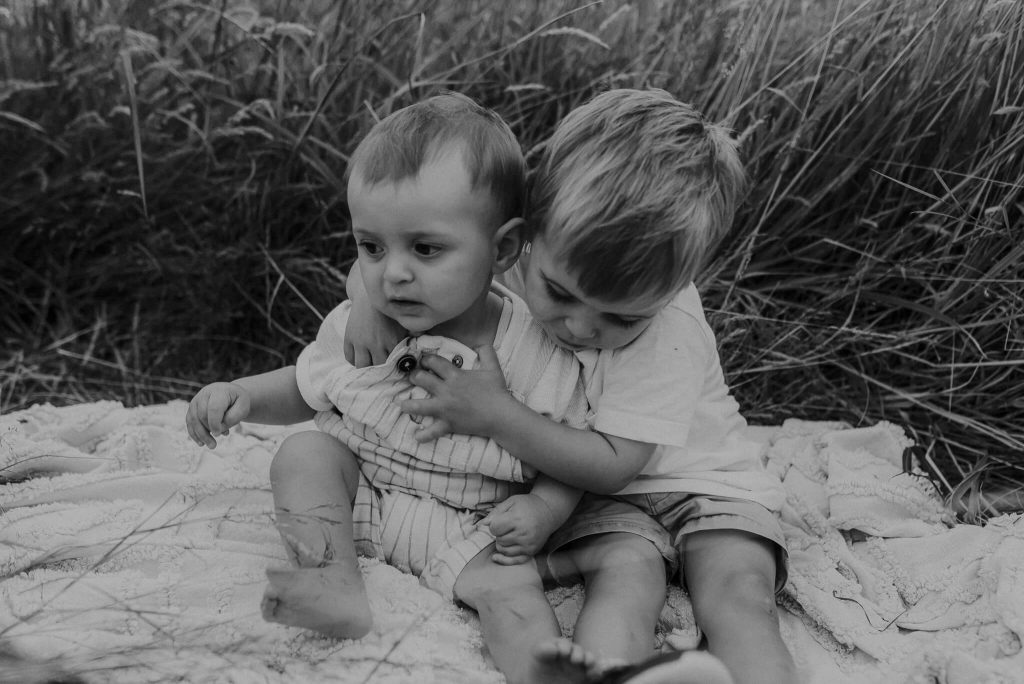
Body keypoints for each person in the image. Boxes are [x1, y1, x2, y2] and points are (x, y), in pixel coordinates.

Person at [185, 92, 699, 684]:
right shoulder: (364, 327)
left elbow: (568, 442)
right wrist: (243, 395)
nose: (393, 272)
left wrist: (542, 507)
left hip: (475, 528)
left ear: (502, 249)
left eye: (425, 249)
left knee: (514, 597)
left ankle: (547, 675)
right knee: (305, 453)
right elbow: (308, 387)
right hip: (364, 499)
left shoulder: (537, 349)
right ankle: (328, 580)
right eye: (371, 247)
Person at [345, 89, 797, 684]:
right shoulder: (517, 254)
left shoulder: (670, 330)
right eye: (559, 294)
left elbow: (613, 462)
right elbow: (398, 262)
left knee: (738, 594)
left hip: (702, 483)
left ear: (679, 283)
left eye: (622, 318)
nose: (581, 327)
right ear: (526, 234)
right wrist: (366, 306)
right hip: (589, 498)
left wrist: (498, 415)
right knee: (626, 579)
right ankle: (610, 674)